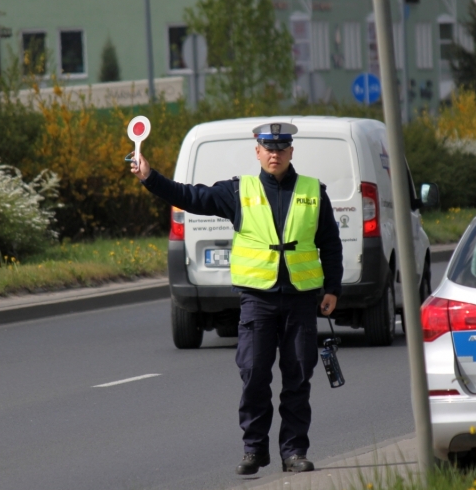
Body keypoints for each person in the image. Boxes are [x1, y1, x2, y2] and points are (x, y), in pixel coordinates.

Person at [131, 122, 343, 475]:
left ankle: (293, 451)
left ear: (291, 151)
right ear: (257, 151)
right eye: (267, 147)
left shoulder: (312, 192)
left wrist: (333, 288)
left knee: (297, 378)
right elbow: (190, 196)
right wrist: (151, 177)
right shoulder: (238, 191)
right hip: (257, 301)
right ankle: (254, 449)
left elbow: (331, 244)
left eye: (281, 147)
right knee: (255, 374)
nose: (274, 154)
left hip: (300, 300)